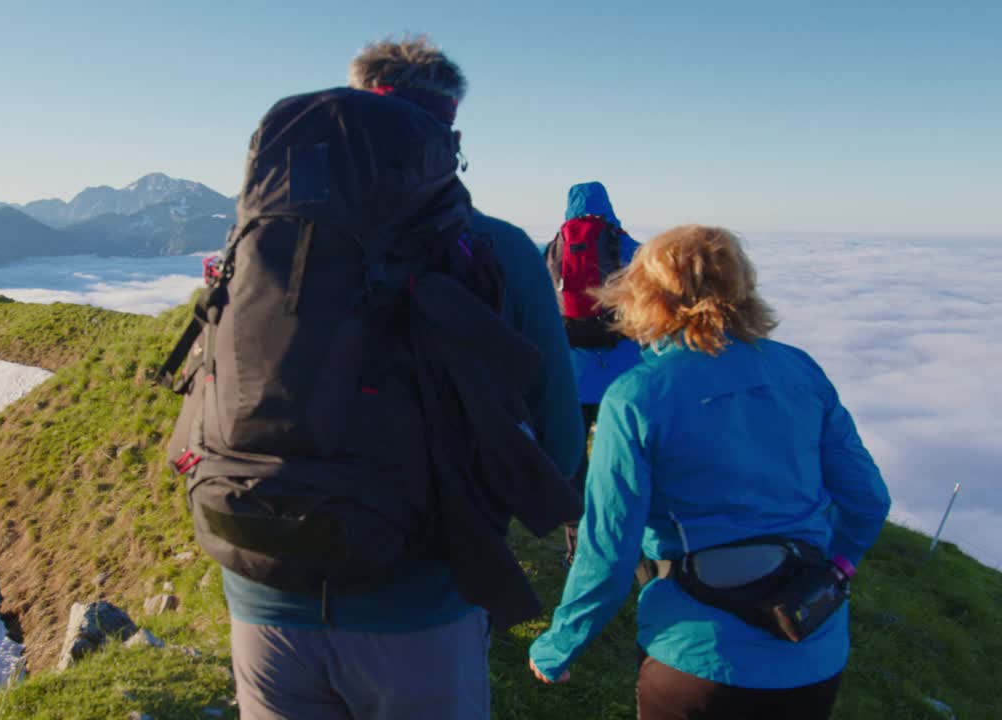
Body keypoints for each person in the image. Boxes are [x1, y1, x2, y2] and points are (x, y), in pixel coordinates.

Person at [217, 37, 584, 719]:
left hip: (261, 592)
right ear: (445, 131)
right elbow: (559, 453)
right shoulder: (496, 250)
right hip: (414, 605)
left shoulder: (257, 248)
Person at [527, 225, 891, 719]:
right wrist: (837, 569)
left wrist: (558, 645)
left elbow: (609, 549)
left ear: (645, 296)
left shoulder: (638, 396)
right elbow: (868, 499)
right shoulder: (800, 371)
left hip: (698, 659)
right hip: (812, 645)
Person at [552, 181, 643, 565]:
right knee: (624, 459)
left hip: (572, 374)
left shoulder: (551, 251)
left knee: (574, 459)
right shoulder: (632, 250)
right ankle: (636, 551)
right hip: (624, 375)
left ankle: (578, 549)